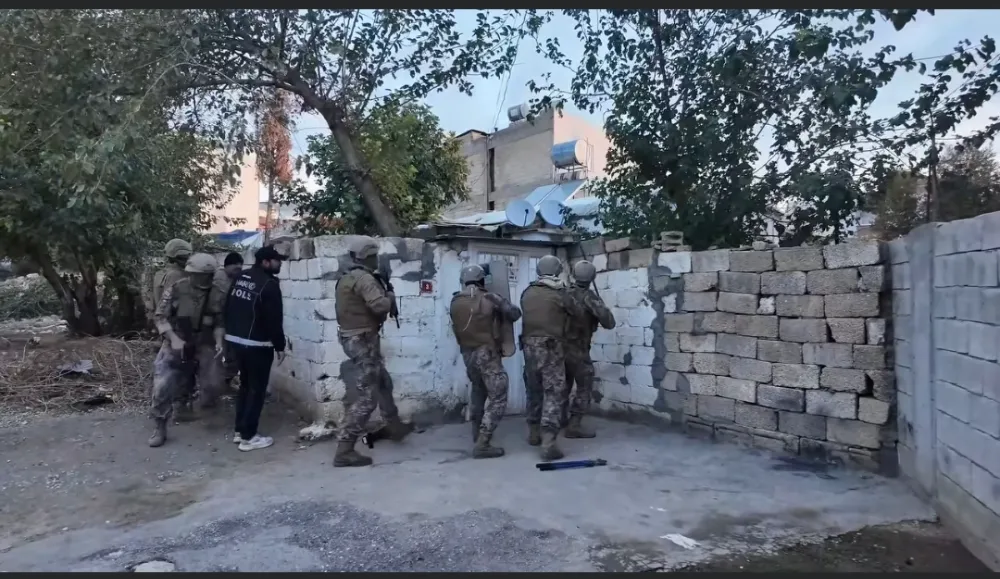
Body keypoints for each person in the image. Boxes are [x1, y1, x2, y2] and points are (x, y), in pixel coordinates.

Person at [333, 236, 411, 468]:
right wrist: (389, 296)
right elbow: (379, 306)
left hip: (355, 338)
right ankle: (344, 449)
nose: (377, 259)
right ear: (368, 256)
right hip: (362, 340)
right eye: (375, 256)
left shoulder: (347, 277)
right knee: (368, 397)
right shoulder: (364, 278)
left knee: (383, 382)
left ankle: (394, 426)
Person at [148, 253, 226, 448]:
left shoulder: (217, 293)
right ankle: (160, 426)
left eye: (209, 275)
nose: (205, 279)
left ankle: (196, 408)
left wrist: (219, 341)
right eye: (202, 275)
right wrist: (174, 339)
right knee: (162, 385)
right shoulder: (177, 289)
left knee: (213, 384)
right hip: (177, 340)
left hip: (204, 342)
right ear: (192, 274)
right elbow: (160, 317)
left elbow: (219, 322)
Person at [449, 264, 522, 459]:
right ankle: (483, 443)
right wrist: (500, 300)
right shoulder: (489, 299)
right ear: (482, 280)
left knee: (478, 391)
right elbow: (515, 314)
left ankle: (476, 432)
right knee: (498, 397)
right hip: (487, 353)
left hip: (468, 354)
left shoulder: (456, 300)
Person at [223, 245, 287, 452]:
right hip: (257, 345)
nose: (280, 263)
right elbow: (274, 319)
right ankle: (248, 437)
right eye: (276, 260)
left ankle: (239, 430)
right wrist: (280, 346)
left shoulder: (240, 277)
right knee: (256, 390)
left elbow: (227, 306)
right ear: (265, 262)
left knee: (245, 386)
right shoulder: (269, 284)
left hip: (236, 342)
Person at [519, 255, 581, 461]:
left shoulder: (527, 292)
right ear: (556, 271)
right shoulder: (560, 293)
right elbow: (577, 312)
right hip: (551, 347)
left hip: (528, 347)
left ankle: (534, 432)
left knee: (533, 390)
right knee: (554, 392)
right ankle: (548, 443)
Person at [562, 260, 615, 438]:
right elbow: (609, 322)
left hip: (558, 349)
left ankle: (559, 419)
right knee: (584, 386)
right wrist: (601, 305)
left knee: (562, 386)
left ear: (574, 275)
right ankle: (574, 425)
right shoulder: (589, 297)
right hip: (578, 349)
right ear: (592, 277)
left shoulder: (562, 293)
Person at [152, 238, 195, 421]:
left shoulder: (160, 274)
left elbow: (154, 303)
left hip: (166, 327)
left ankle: (167, 409)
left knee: (168, 370)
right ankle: (178, 408)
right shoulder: (179, 276)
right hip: (178, 328)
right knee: (181, 370)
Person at [217, 252, 244, 390]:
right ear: (226, 266)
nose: (238, 271)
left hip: (230, 322)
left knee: (232, 353)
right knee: (216, 352)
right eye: (235, 268)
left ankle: (228, 380)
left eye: (240, 268)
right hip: (215, 322)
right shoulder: (216, 278)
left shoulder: (238, 279)